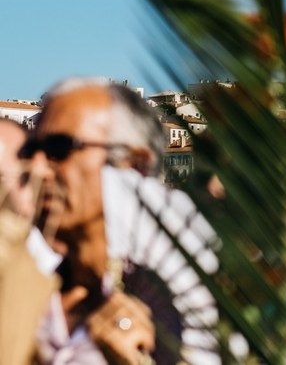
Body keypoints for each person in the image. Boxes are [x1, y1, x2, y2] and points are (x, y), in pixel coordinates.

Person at [23, 78, 217, 365]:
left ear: (133, 164)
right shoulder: (23, 282)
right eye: (30, 152)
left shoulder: (186, 292)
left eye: (59, 148)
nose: (38, 168)